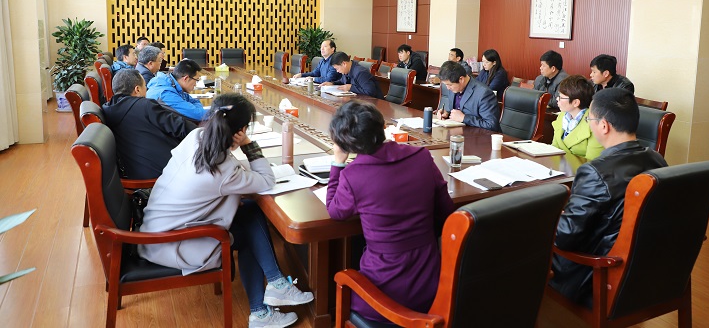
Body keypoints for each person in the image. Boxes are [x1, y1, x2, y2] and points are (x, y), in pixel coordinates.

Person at [139, 94, 314, 327]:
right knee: (251, 232)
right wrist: (248, 144)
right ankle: (266, 303)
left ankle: (273, 291)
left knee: (250, 213)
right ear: (241, 130)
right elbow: (266, 180)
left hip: (158, 226)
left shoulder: (196, 136)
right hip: (173, 242)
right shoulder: (222, 170)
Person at [325, 101, 455, 323]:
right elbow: (446, 213)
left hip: (385, 292)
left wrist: (337, 163)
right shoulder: (422, 156)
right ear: (383, 126)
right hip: (432, 283)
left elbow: (335, 211)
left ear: (345, 145)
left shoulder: (353, 175)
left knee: (342, 285)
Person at [550, 88, 667, 306]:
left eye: (589, 120)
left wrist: (550, 217)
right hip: (648, 273)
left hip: (593, 276)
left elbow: (564, 237)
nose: (589, 125)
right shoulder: (657, 160)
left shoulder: (595, 172)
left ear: (603, 126)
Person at [103, 69, 197, 179]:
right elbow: (179, 126)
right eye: (145, 87)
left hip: (135, 172)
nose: (146, 90)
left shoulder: (108, 109)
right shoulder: (145, 105)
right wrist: (204, 134)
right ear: (137, 89)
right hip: (164, 172)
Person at [435, 60, 501, 131]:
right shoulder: (453, 89)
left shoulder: (484, 93)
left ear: (461, 79)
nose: (448, 88)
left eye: (450, 85)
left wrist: (464, 118)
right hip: (457, 133)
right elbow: (457, 111)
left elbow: (491, 125)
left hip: (477, 136)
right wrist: (447, 114)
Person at [551, 75, 604, 160]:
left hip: (580, 167)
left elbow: (592, 162)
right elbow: (553, 149)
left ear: (575, 102)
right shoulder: (562, 116)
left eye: (561, 97)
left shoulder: (595, 123)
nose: (557, 99)